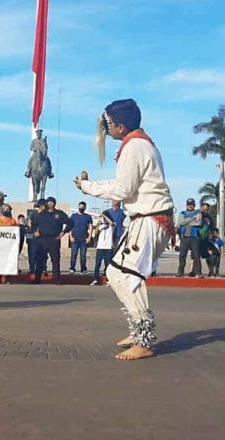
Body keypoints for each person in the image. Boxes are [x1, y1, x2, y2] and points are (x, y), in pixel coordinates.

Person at [76, 98, 176, 360]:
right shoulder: (139, 144)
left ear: (120, 125)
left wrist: (88, 187)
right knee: (114, 271)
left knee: (129, 277)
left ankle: (144, 340)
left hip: (149, 220)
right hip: (145, 219)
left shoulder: (135, 147)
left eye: (108, 123)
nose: (106, 128)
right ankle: (137, 328)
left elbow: (122, 190)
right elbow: (124, 185)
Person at [30, 196, 73, 285]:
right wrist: (34, 232)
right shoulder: (42, 214)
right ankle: (37, 279)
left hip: (54, 239)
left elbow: (70, 223)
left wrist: (63, 232)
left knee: (55, 260)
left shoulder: (59, 213)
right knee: (39, 260)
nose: (48, 203)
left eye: (50, 202)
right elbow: (34, 224)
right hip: (42, 239)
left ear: (53, 203)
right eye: (47, 202)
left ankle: (57, 279)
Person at [0, 204, 18, 284]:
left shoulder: (12, 220)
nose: (6, 210)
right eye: (4, 208)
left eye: (8, 209)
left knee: (7, 261)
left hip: (9, 245)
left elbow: (15, 232)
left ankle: (6, 278)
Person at [176, 198, 203, 278]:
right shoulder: (182, 213)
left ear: (194, 205)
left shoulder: (198, 212)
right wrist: (192, 219)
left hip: (194, 236)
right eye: (188, 204)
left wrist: (187, 221)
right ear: (186, 205)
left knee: (196, 255)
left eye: (191, 204)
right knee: (182, 255)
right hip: (185, 236)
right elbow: (181, 222)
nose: (190, 206)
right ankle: (180, 272)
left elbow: (198, 222)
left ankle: (199, 272)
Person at [69, 201, 93, 274]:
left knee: (83, 256)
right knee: (73, 254)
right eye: (80, 207)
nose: (81, 208)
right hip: (75, 239)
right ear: (78, 207)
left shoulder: (88, 217)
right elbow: (70, 227)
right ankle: (72, 268)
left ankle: (83, 269)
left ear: (85, 208)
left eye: (82, 207)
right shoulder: (73, 216)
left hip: (83, 239)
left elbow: (91, 227)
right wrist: (71, 237)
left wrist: (89, 237)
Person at [91, 211, 115, 286]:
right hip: (100, 247)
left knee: (108, 264)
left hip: (108, 247)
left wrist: (105, 216)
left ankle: (109, 280)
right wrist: (99, 223)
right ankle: (95, 279)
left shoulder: (112, 225)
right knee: (97, 264)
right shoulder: (101, 226)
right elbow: (95, 234)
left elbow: (111, 223)